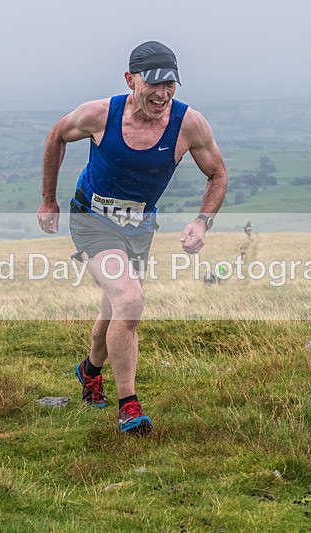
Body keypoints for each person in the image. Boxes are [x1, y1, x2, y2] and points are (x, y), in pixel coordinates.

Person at [37, 41, 228, 435]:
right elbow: (56, 135)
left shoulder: (188, 124)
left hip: (139, 229)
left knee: (114, 307)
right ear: (130, 80)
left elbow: (217, 175)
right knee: (130, 298)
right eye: (153, 83)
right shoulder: (99, 115)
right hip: (91, 220)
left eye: (170, 84)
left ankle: (89, 371)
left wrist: (202, 222)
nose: (162, 93)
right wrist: (48, 201)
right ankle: (129, 405)